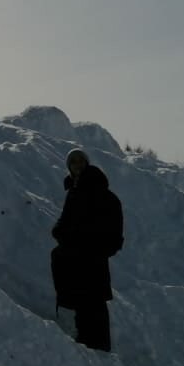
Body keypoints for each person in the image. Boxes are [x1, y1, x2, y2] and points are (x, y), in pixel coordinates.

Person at [50, 148, 124, 352]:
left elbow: (114, 235)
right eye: (73, 162)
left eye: (81, 160)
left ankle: (102, 358)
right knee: (78, 310)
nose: (77, 164)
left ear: (88, 164)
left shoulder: (104, 195)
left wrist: (93, 250)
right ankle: (84, 356)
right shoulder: (73, 194)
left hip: (92, 263)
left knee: (94, 310)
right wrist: (61, 236)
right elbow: (63, 224)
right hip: (72, 261)